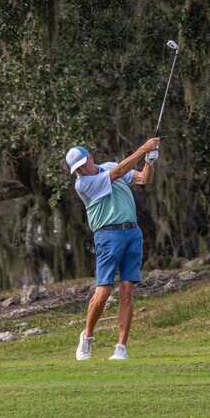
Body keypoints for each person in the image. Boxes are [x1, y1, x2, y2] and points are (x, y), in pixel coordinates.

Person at [67, 138, 160, 361]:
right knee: (104, 291)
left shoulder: (108, 167)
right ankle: (87, 336)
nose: (81, 170)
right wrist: (143, 149)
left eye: (82, 164)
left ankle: (121, 347)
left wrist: (149, 160)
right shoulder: (83, 184)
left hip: (132, 232)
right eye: (76, 169)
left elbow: (143, 179)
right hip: (107, 236)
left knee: (127, 289)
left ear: (91, 157)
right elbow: (118, 173)